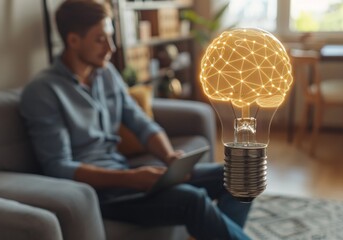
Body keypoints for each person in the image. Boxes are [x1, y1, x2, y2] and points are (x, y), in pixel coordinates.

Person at [19, 1, 251, 239]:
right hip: (101, 193)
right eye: (100, 39)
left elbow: (140, 123)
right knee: (191, 200)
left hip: (125, 173)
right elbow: (59, 167)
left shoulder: (106, 74)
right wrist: (131, 179)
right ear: (73, 40)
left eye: (110, 37)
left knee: (241, 174)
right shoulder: (43, 92)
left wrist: (168, 156)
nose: (110, 47)